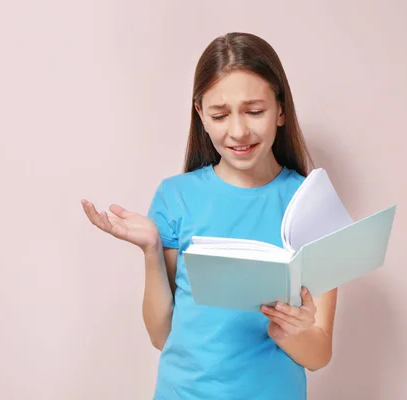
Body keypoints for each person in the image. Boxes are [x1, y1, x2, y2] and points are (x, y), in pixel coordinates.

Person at [81, 32, 337, 400]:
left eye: (254, 111)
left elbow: (319, 355)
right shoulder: (175, 197)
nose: (238, 131)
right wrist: (151, 250)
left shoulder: (312, 202)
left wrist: (291, 332)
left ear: (281, 109)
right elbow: (161, 335)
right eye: (219, 114)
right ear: (201, 115)